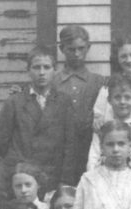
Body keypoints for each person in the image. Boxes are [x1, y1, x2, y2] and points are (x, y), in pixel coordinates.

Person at [0, 46, 76, 190]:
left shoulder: (63, 102)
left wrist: (65, 181)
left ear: (55, 70)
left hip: (52, 177)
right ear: (28, 70)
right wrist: (17, 165)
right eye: (36, 67)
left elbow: (70, 146)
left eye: (46, 67)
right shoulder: (15, 102)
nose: (42, 72)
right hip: (22, 179)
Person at [53, 25, 106, 184]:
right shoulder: (53, 82)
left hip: (90, 148)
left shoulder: (99, 81)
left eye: (81, 48)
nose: (77, 54)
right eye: (71, 49)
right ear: (62, 49)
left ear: (88, 48)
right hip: (60, 149)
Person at [87, 74, 131, 172]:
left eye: (127, 97)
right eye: (117, 97)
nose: (122, 102)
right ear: (109, 100)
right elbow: (93, 159)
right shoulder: (102, 126)